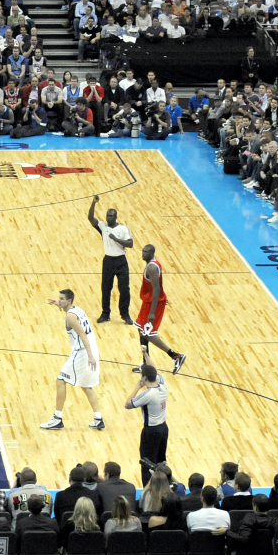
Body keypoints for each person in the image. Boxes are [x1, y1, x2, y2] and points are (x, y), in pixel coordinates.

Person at [40, 289, 104, 431]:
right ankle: (98, 418)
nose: (60, 300)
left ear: (69, 301)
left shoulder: (70, 317)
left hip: (82, 352)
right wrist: (59, 305)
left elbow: (82, 334)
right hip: (92, 348)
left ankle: (57, 418)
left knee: (60, 381)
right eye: (59, 298)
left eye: (62, 299)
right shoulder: (78, 310)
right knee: (86, 386)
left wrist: (90, 356)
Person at [133, 245, 186, 375]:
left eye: (146, 252)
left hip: (153, 304)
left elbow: (156, 289)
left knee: (148, 334)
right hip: (150, 301)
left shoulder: (151, 267)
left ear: (152, 253)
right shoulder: (152, 264)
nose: (143, 254)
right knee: (141, 329)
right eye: (143, 251)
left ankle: (175, 356)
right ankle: (146, 363)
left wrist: (152, 311)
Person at [87, 197, 134, 324]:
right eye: (107, 215)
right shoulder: (103, 227)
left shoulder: (123, 229)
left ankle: (125, 314)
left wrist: (116, 239)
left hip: (121, 261)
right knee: (106, 288)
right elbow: (91, 218)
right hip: (108, 261)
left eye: (111, 216)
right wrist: (93, 203)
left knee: (124, 289)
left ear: (116, 217)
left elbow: (130, 244)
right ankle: (105, 313)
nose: (109, 218)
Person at [126, 362, 168, 486]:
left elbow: (128, 404)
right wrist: (146, 354)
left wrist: (137, 387)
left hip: (151, 431)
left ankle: (149, 490)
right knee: (161, 461)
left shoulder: (148, 394)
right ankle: (164, 485)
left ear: (144, 378)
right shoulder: (163, 385)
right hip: (164, 428)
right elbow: (155, 369)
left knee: (147, 463)